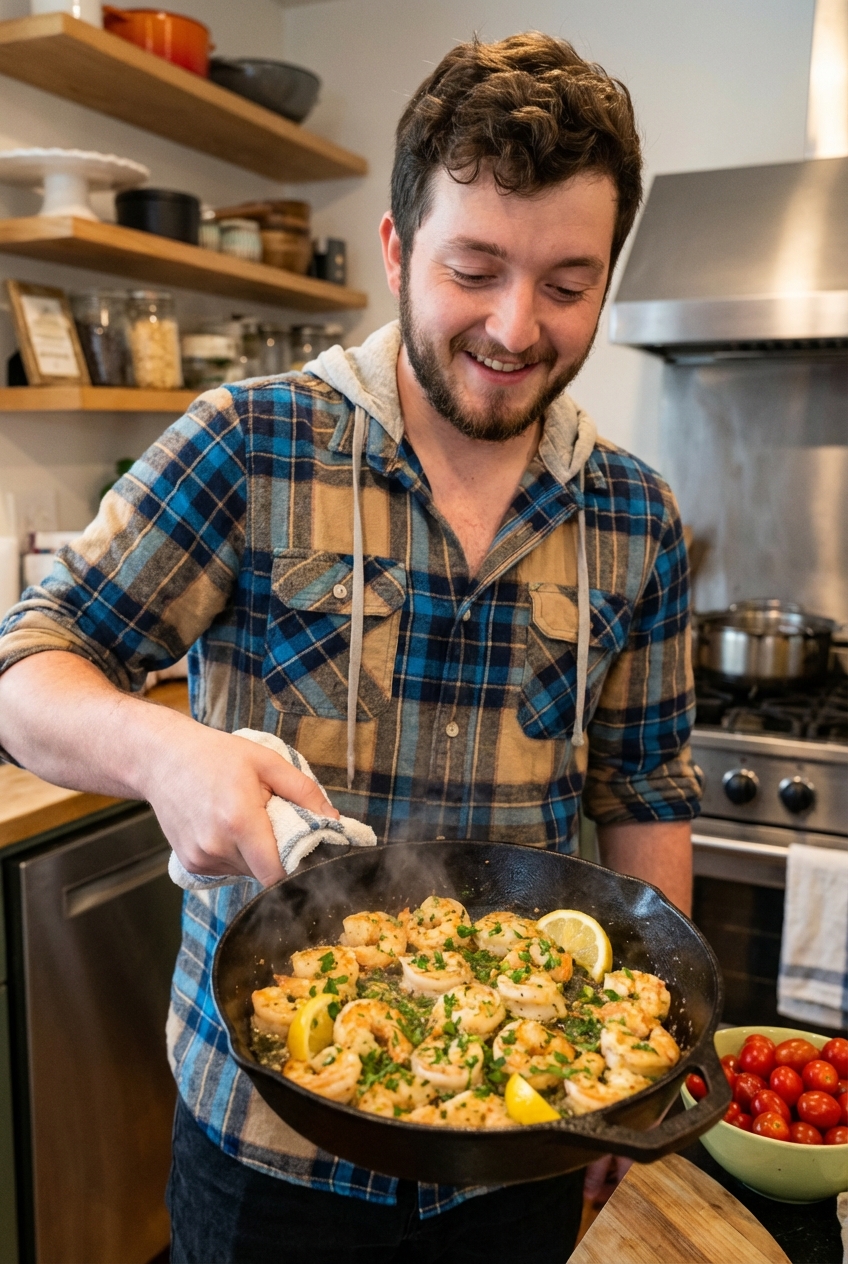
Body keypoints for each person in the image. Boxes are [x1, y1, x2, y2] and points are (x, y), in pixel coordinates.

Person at [0, 32, 699, 1264]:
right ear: (393, 249)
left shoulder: (632, 515)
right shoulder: (251, 444)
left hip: (516, 1161)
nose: (512, 325)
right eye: (471, 267)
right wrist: (166, 753)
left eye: (566, 282)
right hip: (266, 1154)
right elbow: (27, 665)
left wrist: (642, 1085)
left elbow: (642, 799)